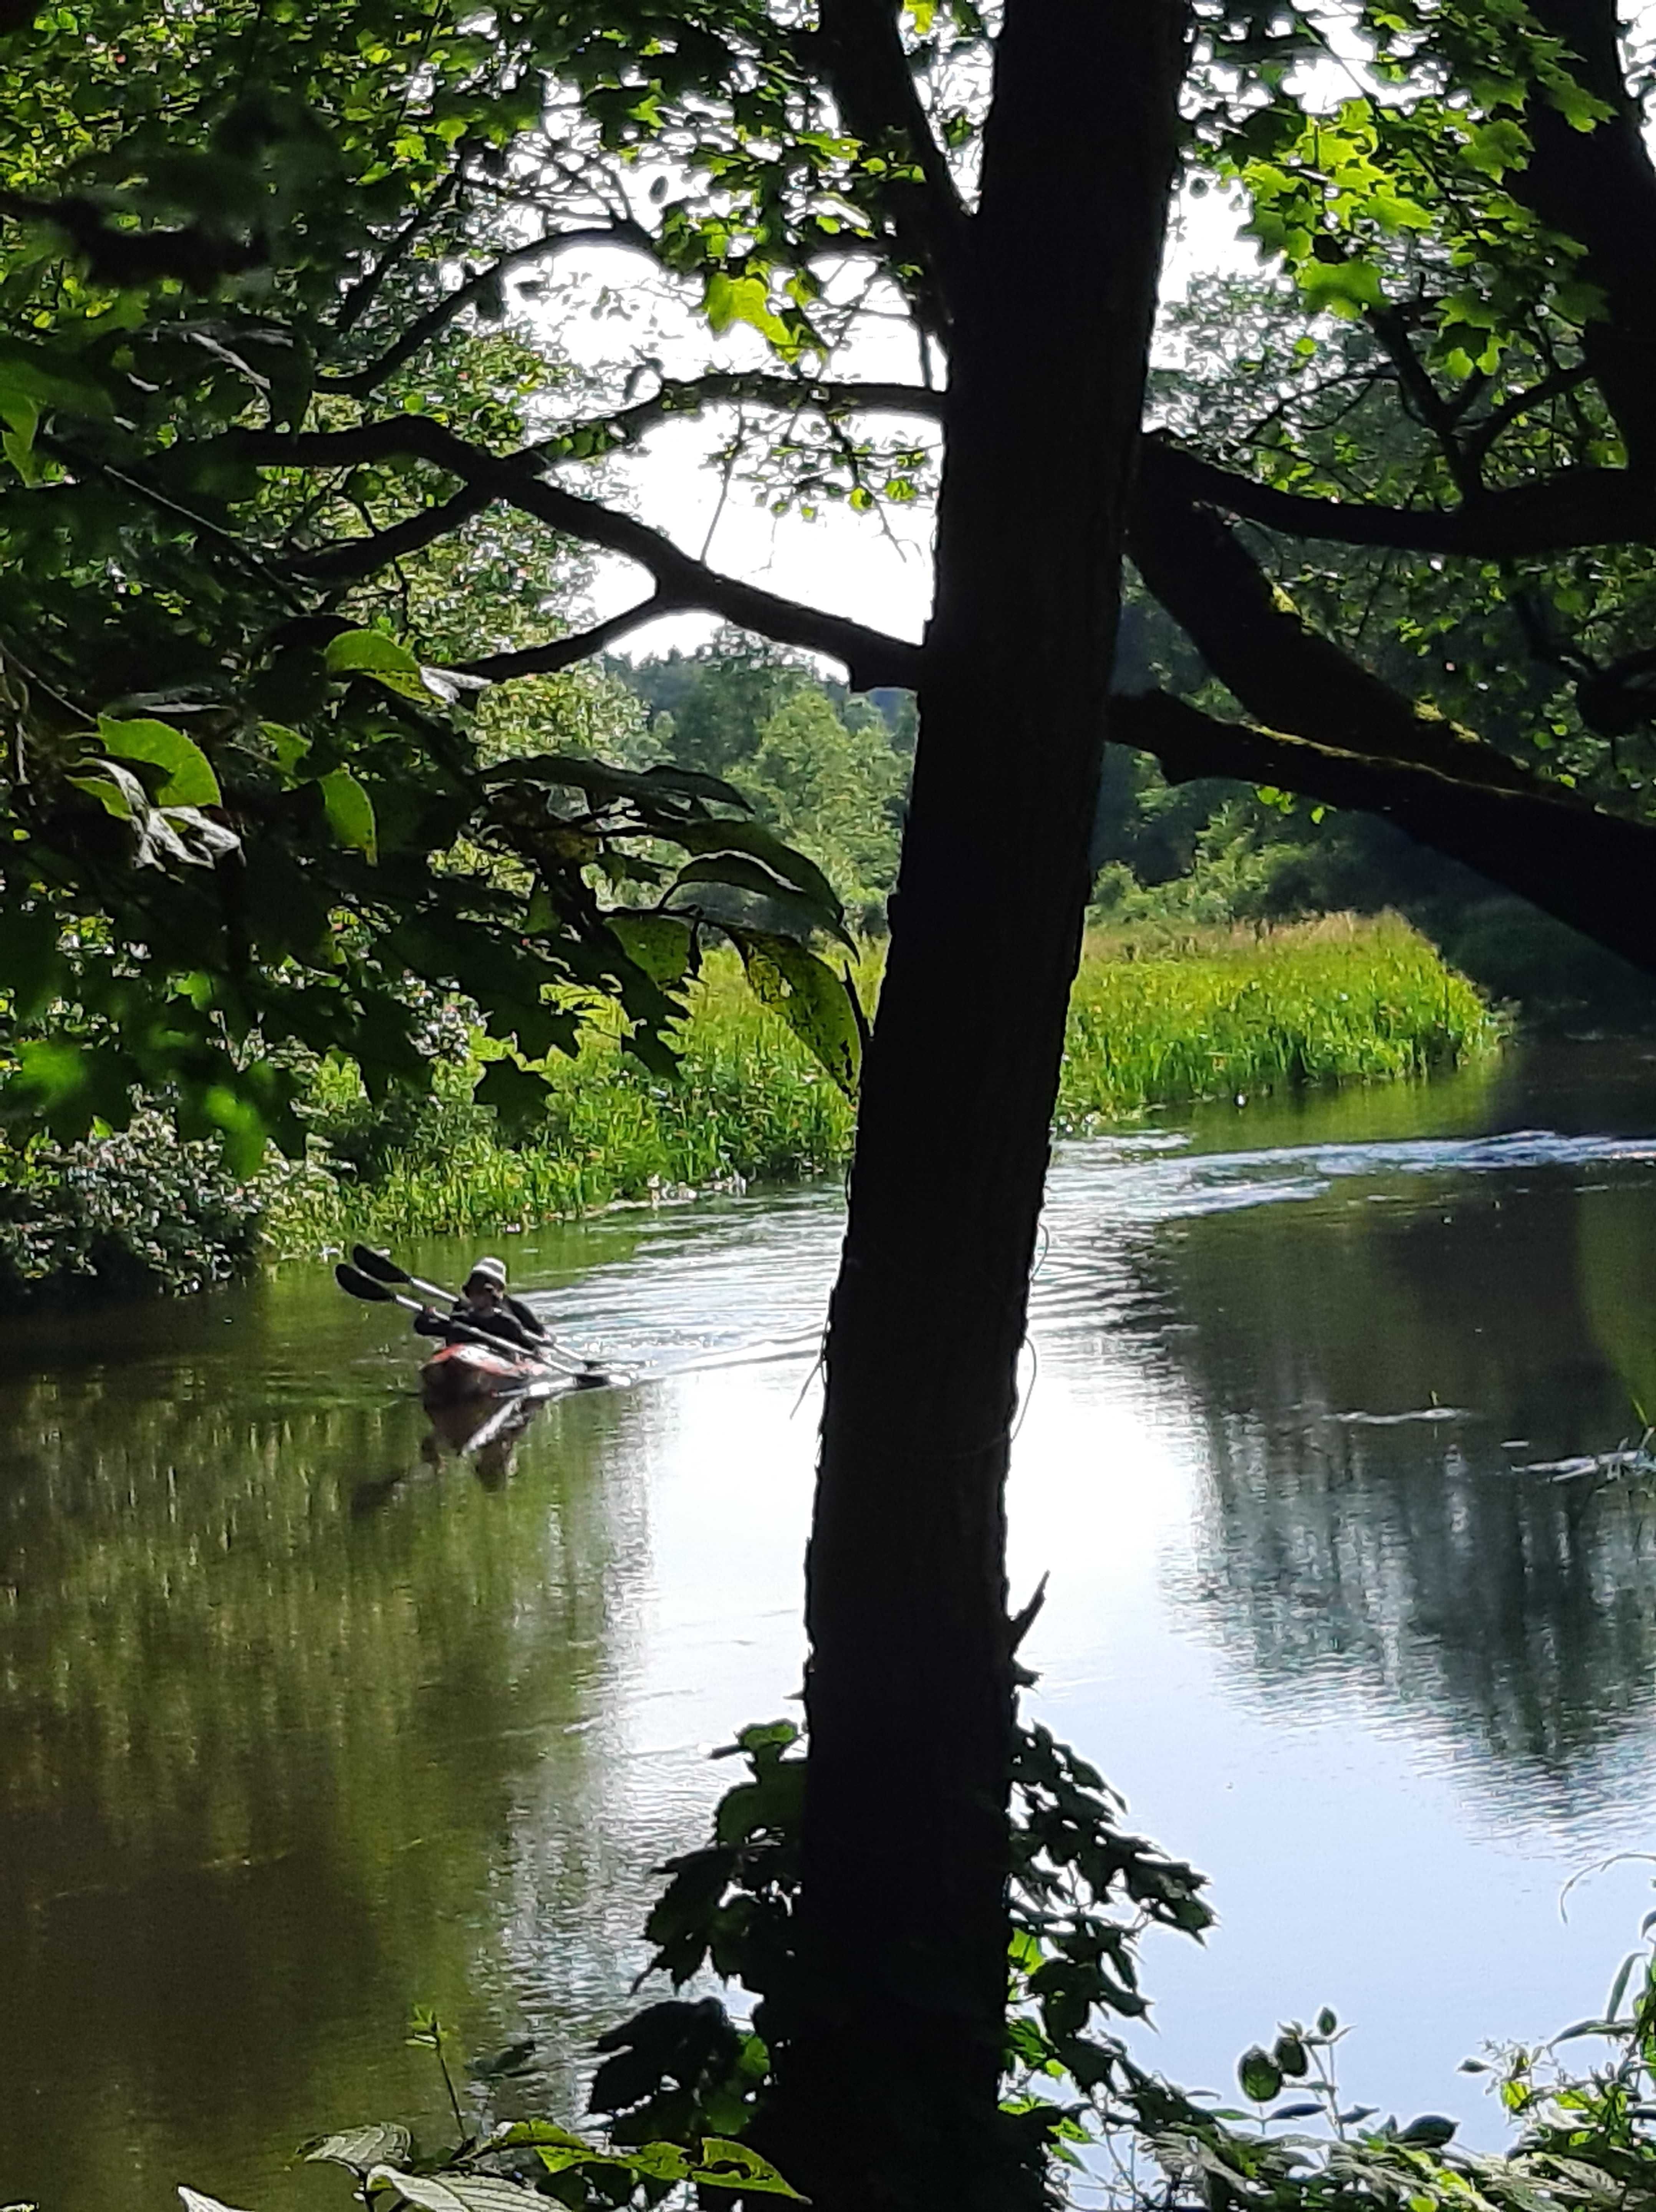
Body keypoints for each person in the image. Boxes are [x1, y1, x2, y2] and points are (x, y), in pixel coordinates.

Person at [417, 1257, 548, 1354]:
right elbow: (423, 1328)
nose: (477, 1297)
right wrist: (425, 1315)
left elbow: (533, 1348)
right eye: (472, 1291)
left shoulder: (509, 1322)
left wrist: (539, 1351)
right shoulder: (461, 1319)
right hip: (463, 1357)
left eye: (483, 1291)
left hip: (498, 1360)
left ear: (497, 1291)